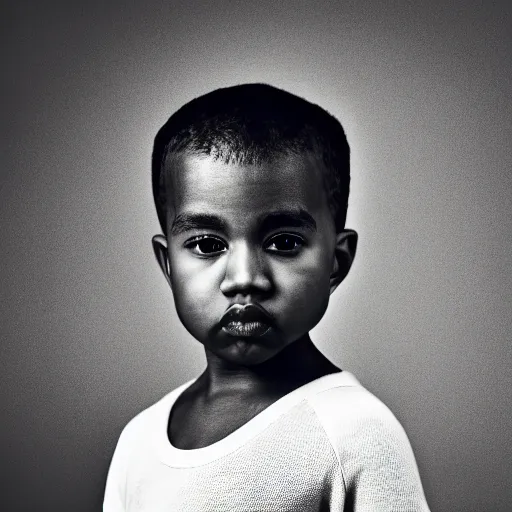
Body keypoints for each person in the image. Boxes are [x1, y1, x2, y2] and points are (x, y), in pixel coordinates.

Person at [103, 83, 431, 511]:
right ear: (168, 264)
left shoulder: (356, 434)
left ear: (336, 261)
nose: (245, 279)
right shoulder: (138, 441)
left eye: (283, 243)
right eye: (206, 244)